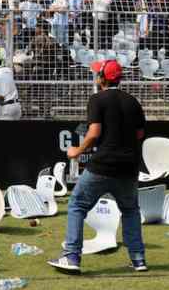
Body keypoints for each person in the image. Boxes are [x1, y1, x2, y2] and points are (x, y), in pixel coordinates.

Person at [48, 60, 147, 274]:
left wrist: (77, 151)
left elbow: (94, 133)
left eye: (97, 73)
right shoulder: (133, 101)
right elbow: (139, 134)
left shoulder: (97, 99)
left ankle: (71, 256)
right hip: (129, 167)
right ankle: (138, 259)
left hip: (103, 164)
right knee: (130, 211)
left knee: (76, 205)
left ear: (102, 78)